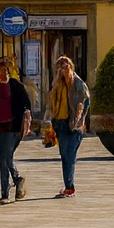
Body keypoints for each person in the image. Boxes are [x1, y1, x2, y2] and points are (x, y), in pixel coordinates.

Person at [0, 56, 32, 204]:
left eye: (4, 70)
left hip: (12, 127)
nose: (2, 73)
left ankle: (9, 189)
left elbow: (26, 103)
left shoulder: (15, 86)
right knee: (2, 160)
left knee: (7, 158)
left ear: (9, 72)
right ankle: (13, 185)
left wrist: (27, 115)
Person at [45, 55, 89, 198]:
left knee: (69, 156)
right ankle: (68, 185)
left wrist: (80, 118)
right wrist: (49, 120)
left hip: (74, 125)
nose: (63, 70)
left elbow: (85, 101)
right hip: (60, 123)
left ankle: (70, 187)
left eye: (66, 66)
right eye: (60, 67)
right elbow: (51, 102)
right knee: (65, 156)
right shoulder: (57, 84)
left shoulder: (77, 83)